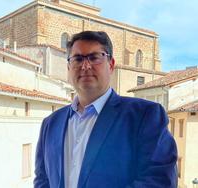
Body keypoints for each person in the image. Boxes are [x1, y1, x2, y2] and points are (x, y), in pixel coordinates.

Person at [34, 31, 178, 188]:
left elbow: (160, 181)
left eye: (94, 57)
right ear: (69, 67)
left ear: (111, 64)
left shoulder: (144, 116)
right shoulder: (50, 124)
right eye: (78, 59)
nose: (85, 65)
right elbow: (42, 179)